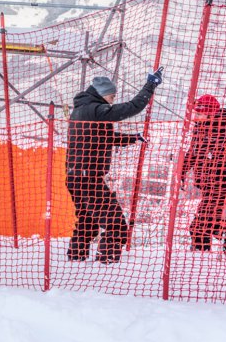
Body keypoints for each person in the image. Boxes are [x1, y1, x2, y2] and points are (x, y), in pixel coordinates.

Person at [66, 69, 163, 264]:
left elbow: (102, 138)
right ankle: (107, 263)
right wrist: (150, 85)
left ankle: (76, 259)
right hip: (88, 178)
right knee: (115, 222)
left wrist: (132, 139)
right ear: (101, 93)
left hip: (74, 177)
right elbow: (131, 108)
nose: (113, 98)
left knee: (88, 221)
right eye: (111, 95)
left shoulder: (81, 110)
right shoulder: (97, 110)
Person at [180, 94, 226, 258]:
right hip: (207, 182)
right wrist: (183, 171)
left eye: (199, 114)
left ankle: (208, 253)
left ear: (211, 114)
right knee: (212, 220)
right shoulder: (199, 128)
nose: (196, 117)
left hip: (222, 182)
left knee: (203, 222)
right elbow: (193, 152)